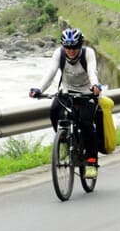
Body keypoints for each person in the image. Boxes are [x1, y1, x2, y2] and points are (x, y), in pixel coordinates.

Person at [29, 28, 102, 178]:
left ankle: (91, 161)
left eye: (75, 47)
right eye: (68, 47)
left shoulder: (88, 53)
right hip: (67, 91)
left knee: (86, 123)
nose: (71, 51)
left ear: (80, 45)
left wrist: (95, 86)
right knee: (54, 110)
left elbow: (92, 72)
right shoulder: (59, 53)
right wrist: (39, 89)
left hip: (88, 92)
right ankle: (64, 140)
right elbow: (50, 73)